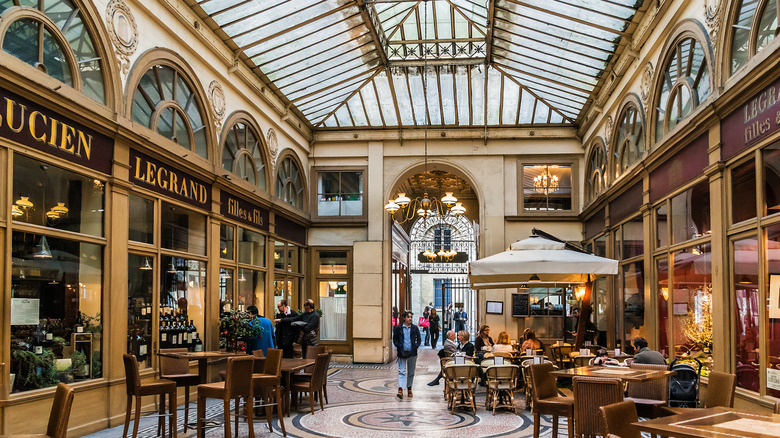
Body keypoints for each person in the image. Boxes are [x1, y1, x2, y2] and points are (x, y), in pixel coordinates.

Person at [392, 310, 421, 399]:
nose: (410, 319)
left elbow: (418, 339)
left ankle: (409, 388)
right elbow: (395, 339)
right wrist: (399, 346)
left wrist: (415, 346)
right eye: (408, 317)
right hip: (402, 352)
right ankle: (400, 389)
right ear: (404, 318)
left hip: (412, 353)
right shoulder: (398, 328)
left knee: (411, 372)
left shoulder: (415, 328)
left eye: (411, 317)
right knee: (402, 371)